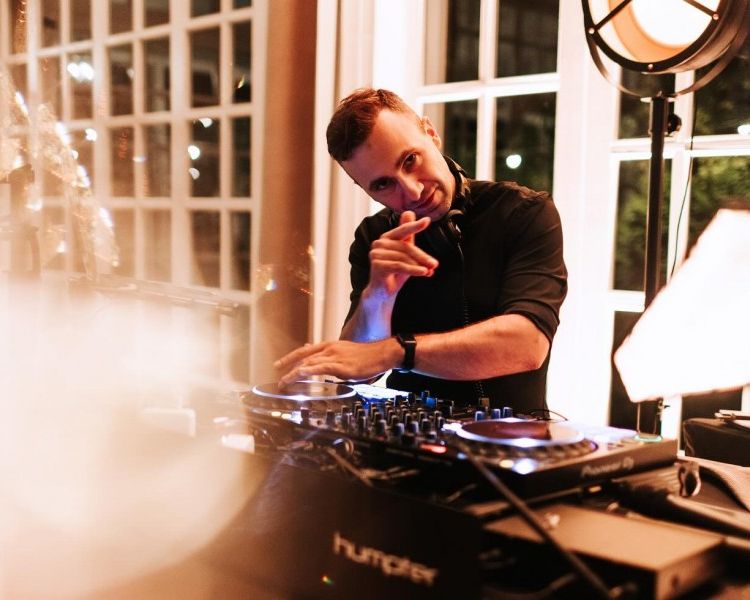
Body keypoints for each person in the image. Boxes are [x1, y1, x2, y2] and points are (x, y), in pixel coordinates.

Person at [275, 88, 567, 415]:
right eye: (383, 184)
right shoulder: (374, 237)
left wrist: (397, 351)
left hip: (510, 434)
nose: (412, 191)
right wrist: (378, 296)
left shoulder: (523, 213)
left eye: (410, 160)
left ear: (431, 133)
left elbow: (527, 345)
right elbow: (360, 369)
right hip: (409, 430)